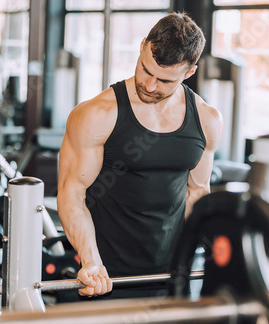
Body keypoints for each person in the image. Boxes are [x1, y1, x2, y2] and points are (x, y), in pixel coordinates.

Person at [57, 12, 223, 299]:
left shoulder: (207, 120)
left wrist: (214, 251)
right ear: (143, 45)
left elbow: (197, 192)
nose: (149, 86)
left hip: (173, 273)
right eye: (146, 70)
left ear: (189, 72)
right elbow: (72, 193)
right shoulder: (97, 114)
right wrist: (91, 260)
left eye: (165, 81)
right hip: (105, 275)